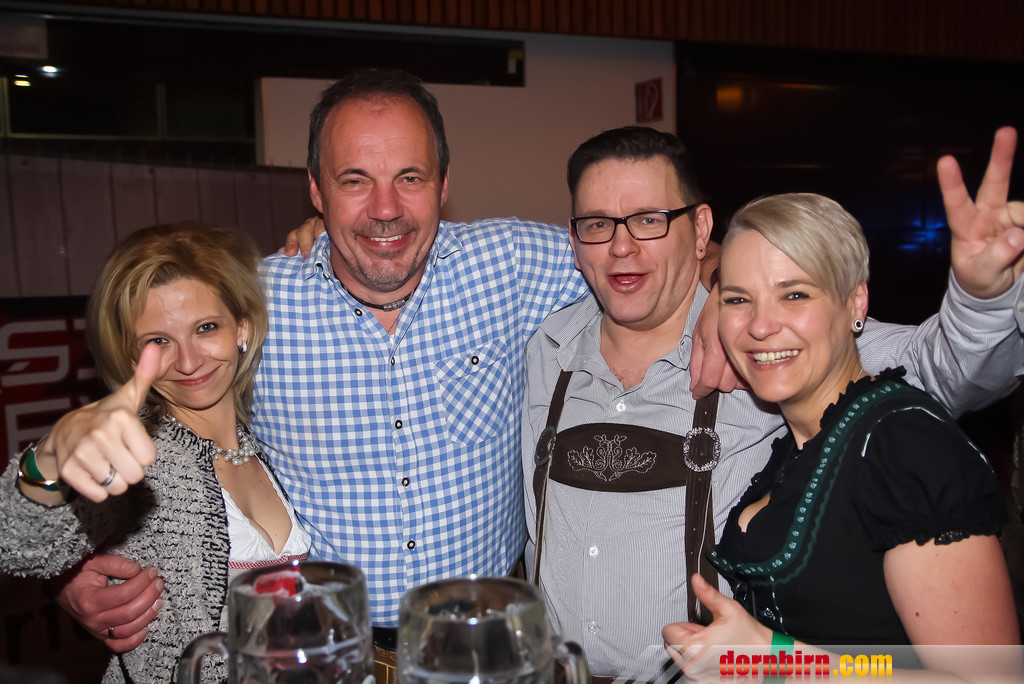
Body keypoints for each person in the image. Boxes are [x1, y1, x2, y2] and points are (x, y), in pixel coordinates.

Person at [52, 70, 1024, 669]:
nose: (384, 208)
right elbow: (156, 424)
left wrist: (724, 294)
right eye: (354, 181)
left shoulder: (528, 266)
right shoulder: (254, 303)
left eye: (409, 177)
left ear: (445, 185)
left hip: (491, 653)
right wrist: (82, 566)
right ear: (315, 191)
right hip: (322, 655)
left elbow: (908, 367)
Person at [522, 126, 1024, 679]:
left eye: (649, 220)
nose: (622, 246)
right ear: (574, 242)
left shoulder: (780, 355)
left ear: (700, 230)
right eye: (597, 224)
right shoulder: (545, 350)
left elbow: (948, 368)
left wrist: (982, 299)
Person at [660, 192, 1020, 681]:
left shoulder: (903, 445)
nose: (760, 326)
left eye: (794, 295)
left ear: (856, 302)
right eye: (738, 300)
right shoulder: (799, 444)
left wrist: (770, 657)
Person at [0, 222, 311, 683]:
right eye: (158, 341)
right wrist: (49, 457)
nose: (188, 361)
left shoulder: (269, 441)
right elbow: (16, 545)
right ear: (131, 356)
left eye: (206, 328)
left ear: (242, 327)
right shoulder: (141, 457)